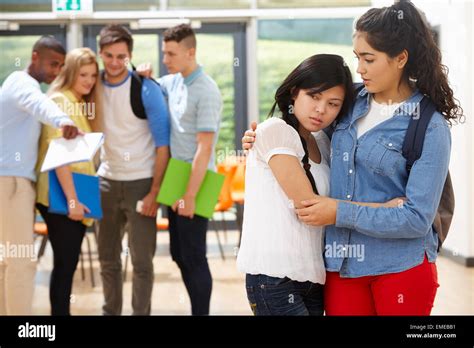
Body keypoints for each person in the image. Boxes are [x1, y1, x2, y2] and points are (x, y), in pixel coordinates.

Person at [243, 1, 463, 316]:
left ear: (401, 58)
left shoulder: (430, 126)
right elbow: (307, 130)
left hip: (400, 267)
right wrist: (260, 137)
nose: (359, 68)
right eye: (357, 56)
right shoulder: (347, 103)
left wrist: (339, 212)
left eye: (369, 59)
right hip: (340, 268)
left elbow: (416, 218)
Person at [0, 36, 79, 315]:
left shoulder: (15, 83)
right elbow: (39, 104)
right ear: (34, 57)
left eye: (60, 66)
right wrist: (64, 121)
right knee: (21, 261)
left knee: (6, 261)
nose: (56, 71)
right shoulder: (24, 85)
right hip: (11, 183)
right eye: (52, 64)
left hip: (8, 180)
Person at [97, 25, 170, 315]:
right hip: (106, 182)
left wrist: (155, 192)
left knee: (141, 263)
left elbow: (162, 146)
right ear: (100, 54)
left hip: (142, 182)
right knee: (108, 260)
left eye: (121, 56)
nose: (115, 62)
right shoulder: (92, 85)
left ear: (130, 56)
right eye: (109, 55)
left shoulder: (145, 88)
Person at [158, 24, 222, 315]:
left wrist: (191, 194)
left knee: (195, 256)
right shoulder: (173, 82)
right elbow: (151, 86)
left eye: (171, 54)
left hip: (197, 181)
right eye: (164, 53)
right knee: (178, 254)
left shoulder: (206, 90)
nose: (166, 59)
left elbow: (204, 147)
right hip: (175, 175)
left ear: (190, 52)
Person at [35, 47, 102, 315]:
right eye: (83, 74)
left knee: (67, 265)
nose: (89, 80)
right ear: (70, 72)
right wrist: (73, 201)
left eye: (93, 75)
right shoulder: (61, 101)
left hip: (74, 194)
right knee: (65, 266)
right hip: (61, 196)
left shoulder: (77, 103)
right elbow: (59, 155)